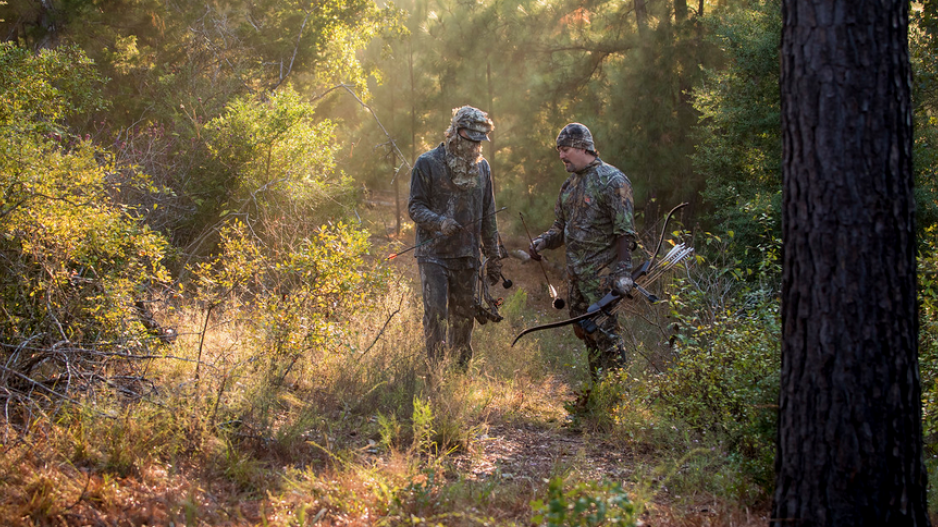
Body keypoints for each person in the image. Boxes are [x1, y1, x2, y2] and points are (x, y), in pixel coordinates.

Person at [528, 123, 636, 380]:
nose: (561, 156)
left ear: (582, 147)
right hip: (576, 280)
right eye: (559, 151)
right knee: (587, 335)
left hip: (603, 281)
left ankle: (615, 403)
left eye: (565, 149)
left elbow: (625, 233)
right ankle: (598, 395)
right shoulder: (569, 187)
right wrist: (541, 242)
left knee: (608, 338)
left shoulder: (612, 180)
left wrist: (622, 274)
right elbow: (560, 229)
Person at [408, 106, 504, 368]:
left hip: (468, 256)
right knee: (437, 314)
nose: (474, 145)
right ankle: (435, 371)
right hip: (433, 255)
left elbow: (489, 213)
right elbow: (415, 206)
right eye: (469, 137)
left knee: (463, 317)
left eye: (478, 140)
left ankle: (460, 374)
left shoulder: (483, 168)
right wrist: (439, 222)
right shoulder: (427, 163)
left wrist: (494, 255)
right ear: (455, 131)